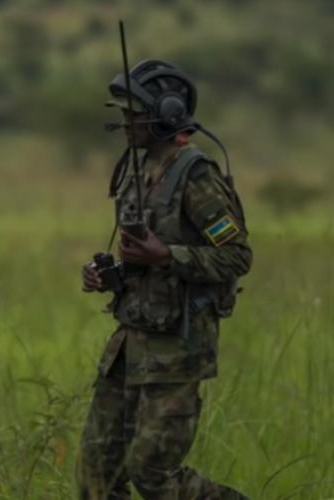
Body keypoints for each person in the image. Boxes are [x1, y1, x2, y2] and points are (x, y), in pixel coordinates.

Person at [77, 59, 252, 500]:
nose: (125, 122)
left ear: (167, 114)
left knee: (153, 474)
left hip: (176, 349)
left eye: (134, 113)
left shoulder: (196, 175)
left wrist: (166, 255)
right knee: (96, 474)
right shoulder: (139, 172)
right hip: (129, 344)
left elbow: (236, 255)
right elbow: (144, 254)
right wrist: (109, 274)